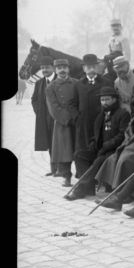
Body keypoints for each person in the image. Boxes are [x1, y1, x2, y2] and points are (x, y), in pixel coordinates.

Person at [66, 87, 131, 200]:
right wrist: (92, 142)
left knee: (98, 161)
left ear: (114, 100)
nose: (104, 103)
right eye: (102, 100)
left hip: (114, 150)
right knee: (79, 155)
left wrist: (106, 147)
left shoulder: (122, 114)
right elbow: (96, 133)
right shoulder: (101, 114)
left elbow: (122, 136)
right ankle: (89, 188)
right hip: (100, 149)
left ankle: (80, 190)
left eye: (107, 99)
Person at [45, 59, 80, 187]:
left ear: (68, 69)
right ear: (55, 70)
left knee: (79, 148)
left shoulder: (77, 83)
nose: (62, 70)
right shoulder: (50, 87)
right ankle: (66, 177)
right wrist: (68, 119)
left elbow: (80, 101)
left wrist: (76, 117)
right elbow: (53, 108)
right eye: (59, 68)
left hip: (77, 122)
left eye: (64, 67)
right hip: (62, 123)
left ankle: (82, 175)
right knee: (64, 151)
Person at [75, 54, 114, 154]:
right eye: (88, 67)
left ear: (97, 67)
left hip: (101, 121)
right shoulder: (78, 85)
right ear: (84, 69)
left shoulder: (107, 82)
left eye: (94, 66)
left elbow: (113, 101)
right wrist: (77, 117)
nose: (91, 69)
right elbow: (73, 103)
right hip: (84, 123)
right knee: (84, 150)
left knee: (100, 149)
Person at [31, 56, 58, 176]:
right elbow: (34, 99)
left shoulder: (59, 79)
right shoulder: (39, 83)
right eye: (42, 68)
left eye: (47, 67)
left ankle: (63, 169)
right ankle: (54, 169)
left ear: (53, 67)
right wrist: (40, 112)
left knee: (61, 142)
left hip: (58, 119)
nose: (44, 70)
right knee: (50, 142)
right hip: (45, 119)